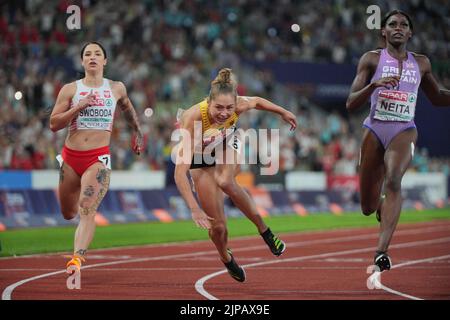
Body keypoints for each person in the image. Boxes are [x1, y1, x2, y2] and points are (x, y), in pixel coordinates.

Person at [346, 10, 450, 271]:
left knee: (393, 179)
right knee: (368, 207)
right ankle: (382, 206)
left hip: (404, 131)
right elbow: (350, 103)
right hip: (374, 130)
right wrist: (374, 85)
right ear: (383, 31)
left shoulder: (422, 63)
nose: (398, 28)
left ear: (410, 32)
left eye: (404, 25)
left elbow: (437, 96)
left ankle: (381, 252)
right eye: (392, 24)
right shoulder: (371, 59)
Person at [174, 68, 297, 282]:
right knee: (219, 228)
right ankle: (226, 257)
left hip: (226, 144)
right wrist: (194, 209)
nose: (224, 113)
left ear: (236, 103)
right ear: (208, 102)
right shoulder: (193, 119)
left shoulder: (239, 104)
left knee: (225, 181)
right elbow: (179, 173)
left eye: (229, 108)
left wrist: (283, 112)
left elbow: (258, 101)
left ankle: (266, 232)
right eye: (218, 108)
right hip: (200, 158)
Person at [50, 41, 143, 273]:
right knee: (68, 212)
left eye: (97, 53)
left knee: (87, 207)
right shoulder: (71, 89)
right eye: (88, 54)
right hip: (70, 159)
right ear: (82, 61)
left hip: (97, 159)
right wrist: (78, 107)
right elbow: (53, 124)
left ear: (105, 61)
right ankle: (77, 252)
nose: (92, 57)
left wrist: (137, 130)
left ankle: (77, 259)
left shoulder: (116, 88)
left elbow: (128, 109)